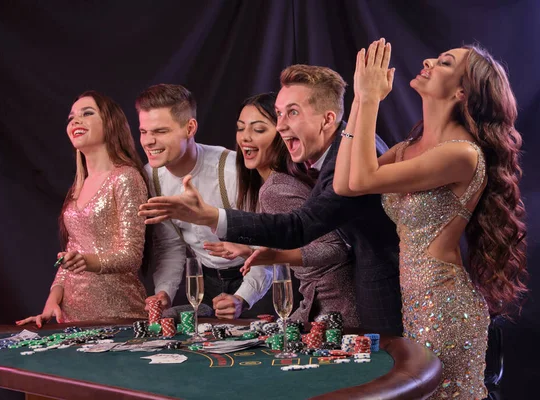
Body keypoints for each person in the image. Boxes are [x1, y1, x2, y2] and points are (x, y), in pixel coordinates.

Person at [138, 66, 403, 335]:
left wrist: (210, 216)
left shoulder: (298, 176)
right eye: (278, 114)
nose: (281, 125)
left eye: (292, 113)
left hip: (366, 291)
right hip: (335, 293)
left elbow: (302, 228)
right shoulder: (326, 156)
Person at [333, 39, 528, 399]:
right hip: (416, 303)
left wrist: (373, 99)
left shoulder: (462, 154)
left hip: (446, 308)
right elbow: (345, 184)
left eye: (445, 63)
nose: (429, 61)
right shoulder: (411, 148)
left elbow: (362, 178)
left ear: (461, 93)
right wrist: (360, 101)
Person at [203, 93, 358, 327]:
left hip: (334, 306)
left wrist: (276, 256)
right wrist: (251, 252)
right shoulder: (276, 182)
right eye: (241, 128)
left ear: (281, 135)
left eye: (258, 129)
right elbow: (302, 241)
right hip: (319, 301)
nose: (245, 138)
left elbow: (336, 249)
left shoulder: (276, 188)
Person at [136, 84, 272, 319]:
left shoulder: (233, 170)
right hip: (205, 284)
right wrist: (164, 292)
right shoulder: (150, 177)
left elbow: (267, 247)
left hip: (258, 285)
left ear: (190, 128)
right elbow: (171, 246)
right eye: (143, 131)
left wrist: (242, 297)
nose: (148, 141)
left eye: (160, 131)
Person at [17, 91, 148, 327]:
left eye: (87, 114)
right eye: (71, 118)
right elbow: (72, 252)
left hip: (118, 317)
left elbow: (131, 256)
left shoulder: (126, 177)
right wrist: (52, 301)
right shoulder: (79, 186)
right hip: (72, 320)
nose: (75, 121)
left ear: (110, 123)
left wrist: (87, 261)